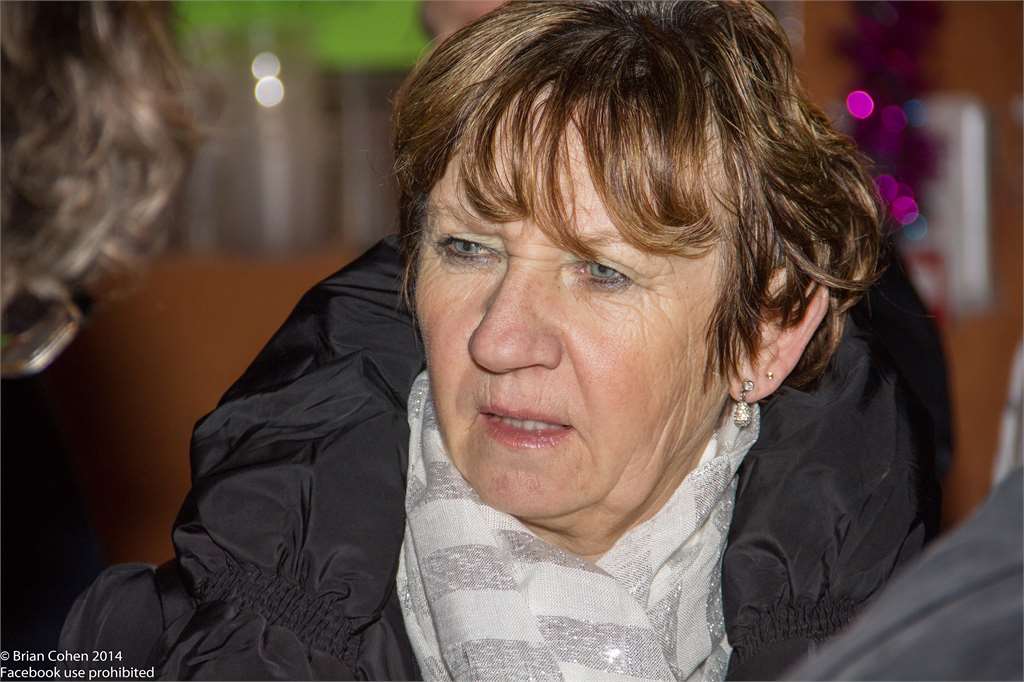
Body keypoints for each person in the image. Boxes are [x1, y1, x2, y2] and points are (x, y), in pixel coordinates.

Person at [61, 2, 939, 680]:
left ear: (765, 334)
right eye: (467, 249)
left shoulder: (927, 648)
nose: (499, 338)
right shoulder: (176, 646)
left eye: (601, 271)